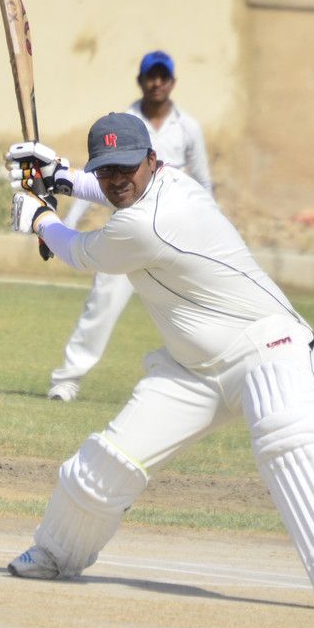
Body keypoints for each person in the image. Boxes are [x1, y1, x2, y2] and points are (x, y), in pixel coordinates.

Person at [3, 113, 314, 612]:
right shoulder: (161, 186)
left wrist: (39, 218)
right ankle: (56, 552)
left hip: (265, 347)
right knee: (108, 461)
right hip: (190, 369)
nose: (116, 179)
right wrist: (60, 178)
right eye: (106, 169)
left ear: (151, 161)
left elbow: (79, 252)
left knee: (288, 441)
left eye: (126, 167)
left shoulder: (149, 222)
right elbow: (112, 192)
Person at [47, 49, 212, 402]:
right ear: (140, 81)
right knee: (102, 302)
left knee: (189, 308)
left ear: (172, 82)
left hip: (174, 234)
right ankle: (68, 380)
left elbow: (202, 181)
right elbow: (98, 177)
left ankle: (201, 383)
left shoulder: (188, 127)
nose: (156, 83)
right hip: (128, 229)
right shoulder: (125, 122)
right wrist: (65, 223)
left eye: (162, 77)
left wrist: (206, 229)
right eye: (151, 76)